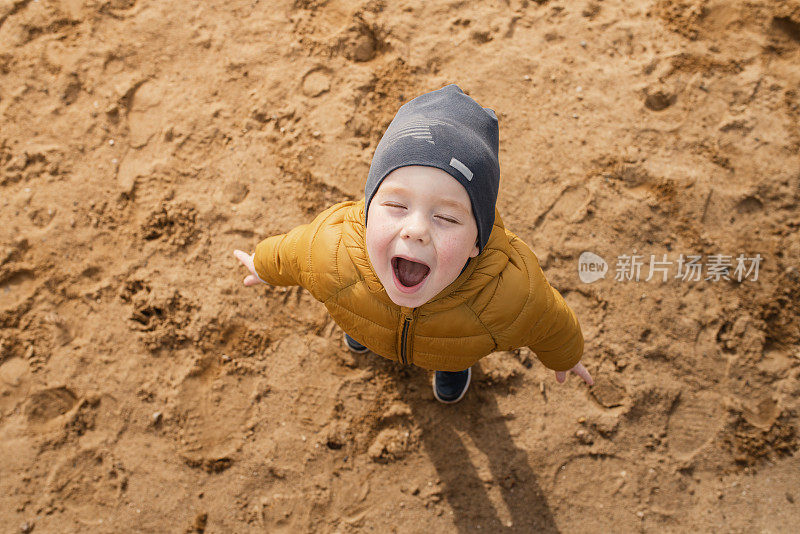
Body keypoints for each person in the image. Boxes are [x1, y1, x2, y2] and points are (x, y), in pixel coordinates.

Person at [234, 84, 592, 404]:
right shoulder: (331, 248)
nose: (416, 229)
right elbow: (291, 253)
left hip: (451, 347)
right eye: (395, 206)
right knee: (359, 318)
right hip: (360, 312)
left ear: (476, 242)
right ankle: (364, 336)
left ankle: (450, 370)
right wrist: (263, 266)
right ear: (369, 210)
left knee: (450, 354)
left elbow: (550, 321)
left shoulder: (510, 291)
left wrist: (565, 356)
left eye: (448, 218)